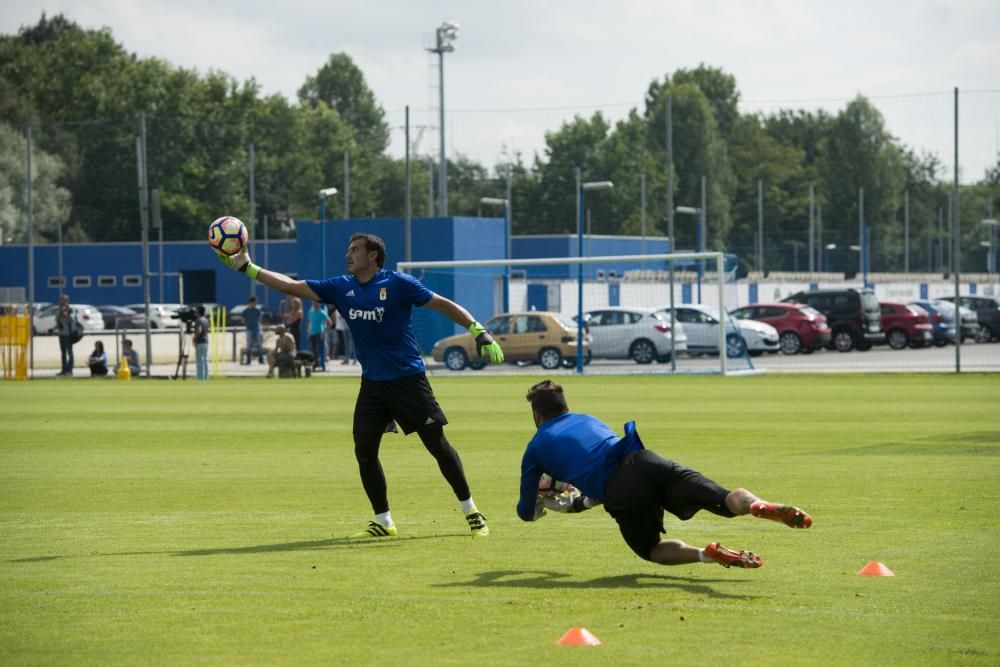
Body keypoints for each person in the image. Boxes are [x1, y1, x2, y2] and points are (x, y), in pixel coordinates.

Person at [216, 232, 504, 538]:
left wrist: (479, 330)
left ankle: (471, 511)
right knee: (364, 451)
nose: (348, 254)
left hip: (408, 381)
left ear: (372, 256)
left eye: (355, 250)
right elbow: (291, 286)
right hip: (373, 386)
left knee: (438, 446)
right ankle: (384, 521)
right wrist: (248, 267)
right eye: (348, 249)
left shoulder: (398, 284)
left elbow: (444, 305)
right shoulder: (342, 287)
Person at [517, 380, 812, 569]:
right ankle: (758, 505)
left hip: (620, 488)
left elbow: (525, 513)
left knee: (651, 549)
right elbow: (604, 464)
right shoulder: (588, 419)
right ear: (565, 406)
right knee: (726, 498)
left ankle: (706, 553)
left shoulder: (536, 448)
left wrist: (547, 503)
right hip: (645, 460)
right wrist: (581, 503)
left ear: (536, 415)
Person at [55, 295, 77, 376]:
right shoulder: (59, 311)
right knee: (63, 353)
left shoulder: (71, 310)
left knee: (69, 353)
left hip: (69, 335)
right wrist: (60, 313)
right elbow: (57, 321)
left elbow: (71, 320)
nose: (61, 302)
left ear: (67, 301)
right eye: (60, 301)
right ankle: (63, 370)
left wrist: (65, 313)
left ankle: (70, 370)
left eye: (63, 301)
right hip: (61, 334)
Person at [308, 301, 332, 371]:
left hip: (319, 333)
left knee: (317, 350)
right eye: (314, 303)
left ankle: (318, 365)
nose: (315, 304)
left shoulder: (322, 312)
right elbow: (309, 322)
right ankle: (314, 365)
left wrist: (324, 331)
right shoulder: (310, 312)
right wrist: (308, 331)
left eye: (316, 303)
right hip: (312, 333)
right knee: (312, 350)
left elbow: (329, 322)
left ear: (319, 304)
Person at [243, 296, 265, 364]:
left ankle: (261, 359)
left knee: (260, 344)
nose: (255, 303)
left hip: (257, 329)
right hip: (249, 329)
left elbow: (260, 319)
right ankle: (248, 360)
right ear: (251, 302)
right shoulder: (246, 311)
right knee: (249, 345)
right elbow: (243, 320)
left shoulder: (258, 310)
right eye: (255, 302)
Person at [193, 305, 210, 380]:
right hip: (206, 341)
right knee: (205, 360)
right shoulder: (206, 320)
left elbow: (199, 331)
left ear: (198, 312)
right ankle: (206, 377)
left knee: (199, 361)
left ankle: (200, 378)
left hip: (200, 341)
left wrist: (194, 338)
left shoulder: (198, 320)